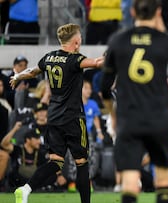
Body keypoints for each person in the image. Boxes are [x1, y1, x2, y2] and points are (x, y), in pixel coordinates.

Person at [100, 0, 168, 203]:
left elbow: (104, 87)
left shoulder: (118, 40)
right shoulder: (164, 40)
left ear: (132, 11)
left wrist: (113, 116)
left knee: (131, 181)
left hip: (129, 119)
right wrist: (164, 31)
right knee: (163, 179)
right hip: (158, 119)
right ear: (158, 12)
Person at [9, 23, 104, 203]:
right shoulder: (75, 59)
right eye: (80, 39)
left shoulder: (49, 57)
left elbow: (31, 72)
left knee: (56, 162)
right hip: (74, 118)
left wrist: (17, 76)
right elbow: (97, 63)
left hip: (54, 117)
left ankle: (26, 189)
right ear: (76, 42)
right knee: (82, 163)